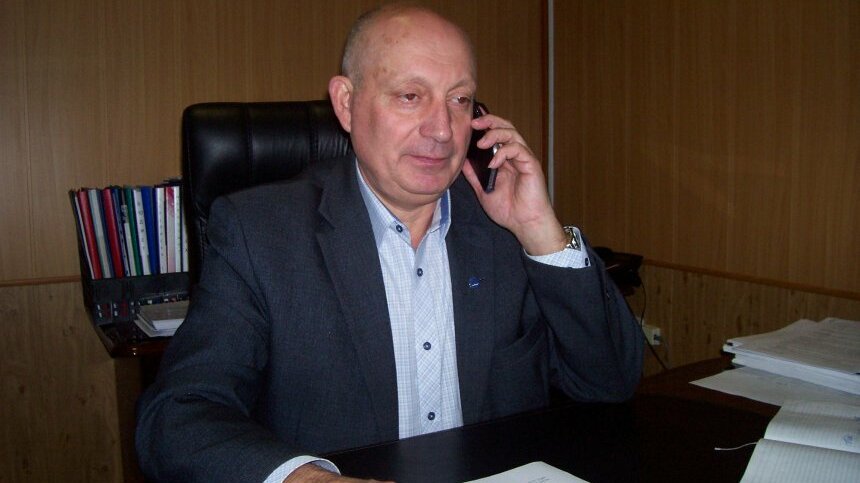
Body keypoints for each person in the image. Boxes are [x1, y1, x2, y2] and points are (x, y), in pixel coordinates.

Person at [136, 4, 643, 483]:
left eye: (459, 100)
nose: (442, 130)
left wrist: (539, 230)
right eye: (410, 96)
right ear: (346, 103)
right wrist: (305, 478)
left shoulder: (505, 228)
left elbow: (610, 382)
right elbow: (178, 414)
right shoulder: (260, 234)